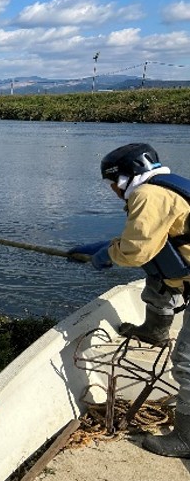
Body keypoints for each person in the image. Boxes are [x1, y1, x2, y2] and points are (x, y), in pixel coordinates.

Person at [70, 142, 190, 458]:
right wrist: (104, 245)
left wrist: (107, 256)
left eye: (113, 183)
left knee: (187, 363)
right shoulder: (166, 187)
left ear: (126, 177)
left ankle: (187, 438)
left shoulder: (147, 195)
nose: (113, 190)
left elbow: (137, 250)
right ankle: (154, 330)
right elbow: (153, 240)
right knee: (156, 272)